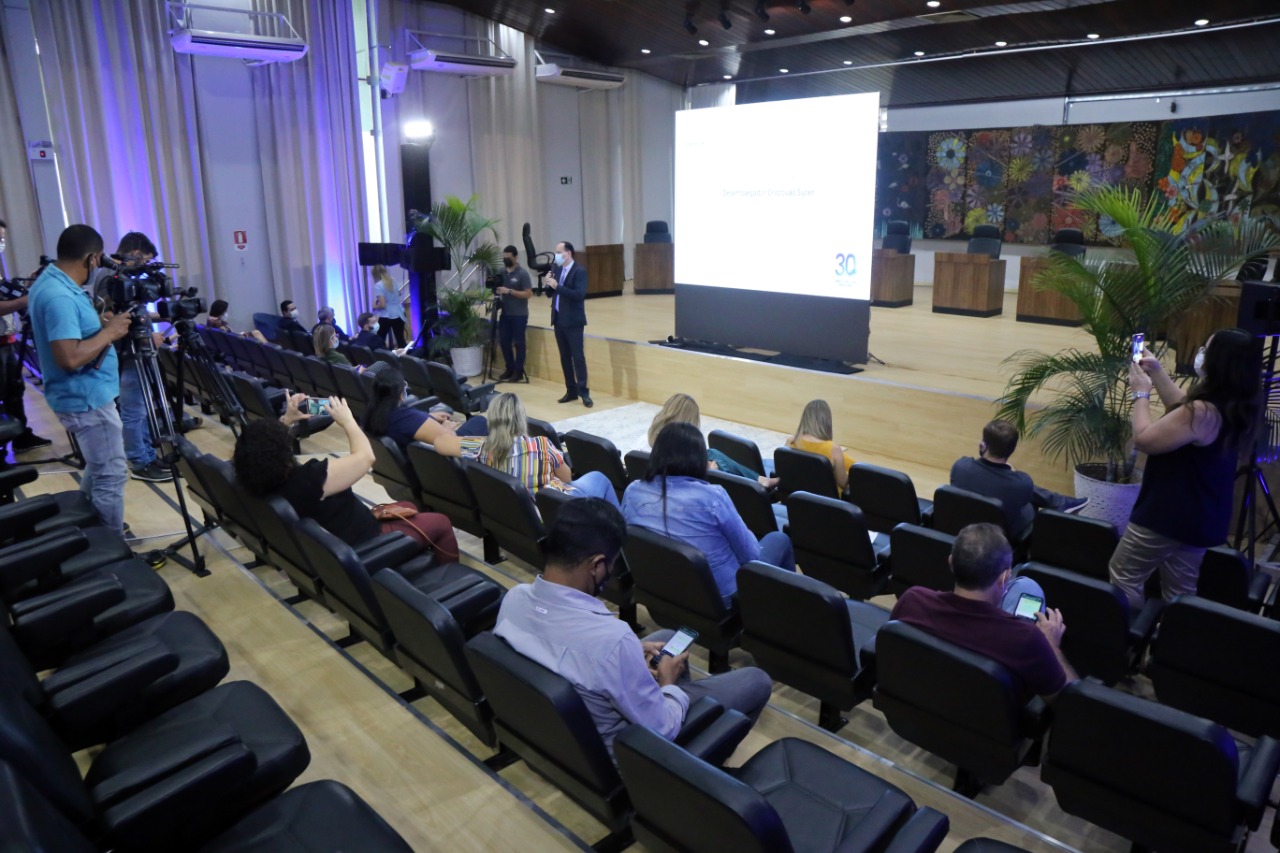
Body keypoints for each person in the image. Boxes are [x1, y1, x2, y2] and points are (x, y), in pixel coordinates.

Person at [493, 497, 772, 755]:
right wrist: (667, 684)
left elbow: (565, 648)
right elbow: (663, 728)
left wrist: (630, 655)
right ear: (597, 565)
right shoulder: (613, 642)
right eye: (612, 564)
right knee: (756, 681)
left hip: (565, 734)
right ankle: (691, 767)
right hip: (629, 754)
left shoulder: (513, 600)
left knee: (667, 638)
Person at [1110, 330, 1261, 608]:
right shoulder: (1234, 403)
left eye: (1207, 348)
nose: (1200, 351)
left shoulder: (1201, 412)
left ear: (1218, 361)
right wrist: (1157, 372)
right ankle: (1168, 644)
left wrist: (1141, 392)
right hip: (1199, 517)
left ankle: (1125, 641)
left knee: (1124, 576)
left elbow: (1145, 439)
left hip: (1168, 515)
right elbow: (1181, 408)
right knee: (1180, 591)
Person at [232, 395, 459, 562]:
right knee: (441, 522)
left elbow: (263, 447)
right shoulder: (311, 479)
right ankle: (449, 577)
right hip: (365, 542)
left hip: (337, 537)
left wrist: (287, 419)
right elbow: (366, 457)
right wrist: (348, 421)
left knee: (408, 506)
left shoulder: (260, 479)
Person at [891, 523, 1075, 703]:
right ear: (1004, 578)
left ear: (951, 562)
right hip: (991, 721)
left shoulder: (912, 600)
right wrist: (1051, 646)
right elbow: (1069, 701)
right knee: (1028, 587)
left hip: (928, 703)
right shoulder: (1026, 639)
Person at [28, 225, 133, 533]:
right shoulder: (59, 295)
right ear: (90, 258)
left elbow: (67, 332)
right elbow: (70, 357)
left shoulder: (50, 281)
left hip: (83, 396)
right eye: (98, 261)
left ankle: (86, 528)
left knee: (100, 467)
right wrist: (110, 333)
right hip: (86, 400)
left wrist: (96, 325)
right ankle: (114, 551)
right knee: (112, 476)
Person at [623, 422, 795, 601]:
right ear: (698, 459)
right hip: (722, 597)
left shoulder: (633, 491)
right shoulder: (713, 497)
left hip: (663, 589)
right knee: (779, 539)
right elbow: (752, 556)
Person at [434, 392, 618, 506]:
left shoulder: (481, 447)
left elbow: (440, 442)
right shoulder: (541, 445)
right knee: (599, 479)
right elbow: (567, 478)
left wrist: (450, 430)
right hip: (554, 506)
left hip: (523, 511)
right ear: (521, 418)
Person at [90, 232, 171, 483]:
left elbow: (130, 311)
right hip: (126, 351)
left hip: (131, 348)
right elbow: (108, 317)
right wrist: (146, 335)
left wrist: (156, 318)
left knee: (142, 406)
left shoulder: (122, 277)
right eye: (145, 259)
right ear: (135, 254)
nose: (146, 265)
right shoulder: (111, 277)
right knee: (134, 408)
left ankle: (146, 452)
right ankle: (139, 460)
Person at [950, 420, 1088, 540]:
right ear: (1012, 449)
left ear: (983, 446)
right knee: (1030, 503)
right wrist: (1010, 472)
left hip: (964, 527)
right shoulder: (1021, 483)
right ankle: (1060, 502)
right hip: (1000, 538)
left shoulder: (960, 466)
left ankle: (1059, 502)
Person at [0, 217, 53, 454]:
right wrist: (29, 297)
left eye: (2, 239)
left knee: (14, 390)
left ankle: (20, 435)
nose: (2, 243)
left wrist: (28, 286)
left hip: (7, 341)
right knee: (5, 392)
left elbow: (7, 297)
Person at [648, 393, 778, 488]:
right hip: (682, 483)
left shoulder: (647, 438)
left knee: (712, 454)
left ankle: (758, 480)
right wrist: (711, 472)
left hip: (663, 479)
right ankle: (757, 481)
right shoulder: (681, 447)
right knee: (717, 460)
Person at [362, 363, 487, 448]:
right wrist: (449, 428)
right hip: (454, 450)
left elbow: (408, 426)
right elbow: (450, 441)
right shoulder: (406, 417)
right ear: (400, 393)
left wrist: (428, 417)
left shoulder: (372, 414)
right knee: (479, 421)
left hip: (415, 470)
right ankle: (494, 457)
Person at [544, 240, 591, 408]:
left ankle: (583, 392)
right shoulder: (556, 269)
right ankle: (570, 390)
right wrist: (548, 284)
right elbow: (551, 294)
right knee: (565, 357)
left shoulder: (579, 271)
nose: (556, 255)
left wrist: (558, 286)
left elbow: (578, 295)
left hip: (573, 321)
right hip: (558, 319)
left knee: (578, 357)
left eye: (559, 252)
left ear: (568, 253)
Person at [784, 399, 853, 492]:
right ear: (826, 421)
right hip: (826, 503)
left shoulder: (791, 442)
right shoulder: (833, 449)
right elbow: (843, 483)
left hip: (797, 498)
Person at [494, 245, 531, 383]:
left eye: (508, 258)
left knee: (519, 343)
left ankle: (518, 371)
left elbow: (528, 293)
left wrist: (509, 291)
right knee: (504, 341)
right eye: (504, 258)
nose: (506, 260)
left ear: (515, 257)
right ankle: (509, 368)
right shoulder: (501, 272)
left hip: (519, 314)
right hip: (505, 313)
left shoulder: (523, 274)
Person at [371, 265, 407, 349]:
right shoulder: (393, 281)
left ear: (375, 275)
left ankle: (382, 358)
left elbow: (383, 305)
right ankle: (406, 359)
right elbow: (398, 294)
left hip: (386, 315)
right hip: (399, 313)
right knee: (400, 339)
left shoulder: (378, 286)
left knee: (380, 339)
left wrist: (375, 306)